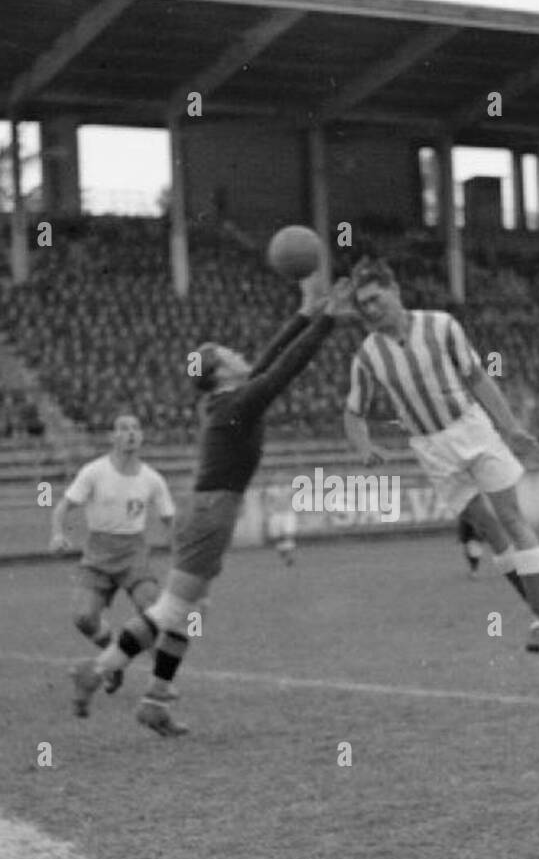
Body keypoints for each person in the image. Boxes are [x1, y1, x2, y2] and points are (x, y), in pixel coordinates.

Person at [72, 273, 354, 733]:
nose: (241, 355)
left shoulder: (227, 400)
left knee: (186, 610)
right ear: (221, 372)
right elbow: (284, 369)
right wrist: (326, 323)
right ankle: (99, 669)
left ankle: (157, 700)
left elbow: (266, 362)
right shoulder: (236, 403)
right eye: (230, 354)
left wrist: (306, 312)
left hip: (210, 511)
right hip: (211, 513)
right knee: (171, 610)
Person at [340, 257, 539, 651]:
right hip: (431, 447)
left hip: (471, 429)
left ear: (395, 291)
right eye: (363, 305)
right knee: (488, 528)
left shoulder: (441, 326)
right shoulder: (368, 356)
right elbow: (353, 411)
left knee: (509, 516)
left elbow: (476, 377)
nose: (370, 309)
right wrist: (363, 445)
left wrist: (510, 427)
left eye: (375, 299)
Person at [51, 413, 175, 697]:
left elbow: (170, 521)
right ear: (113, 437)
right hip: (98, 553)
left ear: (141, 437)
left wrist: (180, 555)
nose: (130, 433)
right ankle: (113, 660)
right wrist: (58, 534)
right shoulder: (94, 472)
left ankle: (162, 682)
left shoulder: (152, 479)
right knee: (83, 617)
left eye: (135, 428)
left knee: (152, 608)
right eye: (123, 428)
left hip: (133, 553)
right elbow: (62, 507)